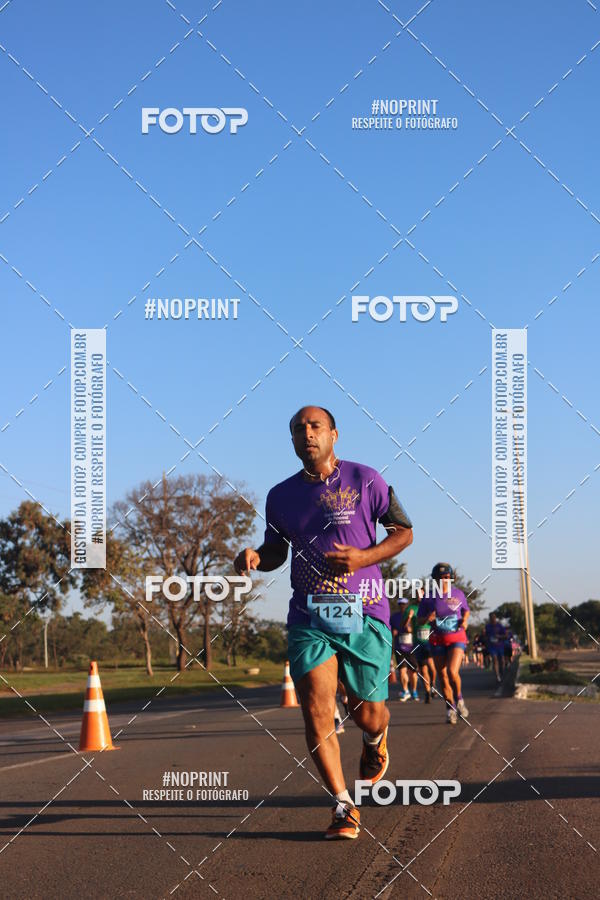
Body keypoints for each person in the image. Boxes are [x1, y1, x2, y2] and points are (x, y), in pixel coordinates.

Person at [234, 406, 413, 839]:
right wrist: (258, 557)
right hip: (309, 613)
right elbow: (277, 549)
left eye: (315, 427)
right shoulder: (279, 496)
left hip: (364, 611)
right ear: (292, 440)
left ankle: (374, 741)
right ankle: (343, 805)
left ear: (334, 434)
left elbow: (403, 531)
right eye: (298, 429)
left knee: (367, 714)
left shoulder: (366, 479)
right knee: (316, 704)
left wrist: (363, 557)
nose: (307, 434)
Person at [417, 563, 470, 725]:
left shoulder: (458, 594)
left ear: (451, 578)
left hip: (457, 638)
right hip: (437, 639)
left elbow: (466, 610)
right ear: (434, 579)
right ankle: (450, 708)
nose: (444, 580)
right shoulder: (428, 598)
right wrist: (428, 619)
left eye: (447, 577)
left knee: (452, 672)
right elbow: (419, 620)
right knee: (442, 676)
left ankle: (459, 699)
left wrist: (465, 621)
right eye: (440, 578)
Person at [390, 600, 419, 701]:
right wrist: (393, 631)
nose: (402, 606)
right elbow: (391, 629)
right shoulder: (394, 617)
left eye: (404, 604)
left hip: (411, 647)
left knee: (413, 672)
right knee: (402, 671)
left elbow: (413, 629)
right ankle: (405, 690)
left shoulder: (413, 615)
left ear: (407, 605)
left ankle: (414, 690)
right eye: (400, 604)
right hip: (399, 647)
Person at [485, 612, 507, 683]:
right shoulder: (487, 626)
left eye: (494, 617)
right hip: (492, 646)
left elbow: (505, 635)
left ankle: (502, 672)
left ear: (495, 618)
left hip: (500, 645)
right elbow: (486, 636)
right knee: (495, 660)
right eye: (491, 617)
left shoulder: (499, 626)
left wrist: (499, 636)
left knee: (502, 661)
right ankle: (497, 676)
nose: (493, 619)